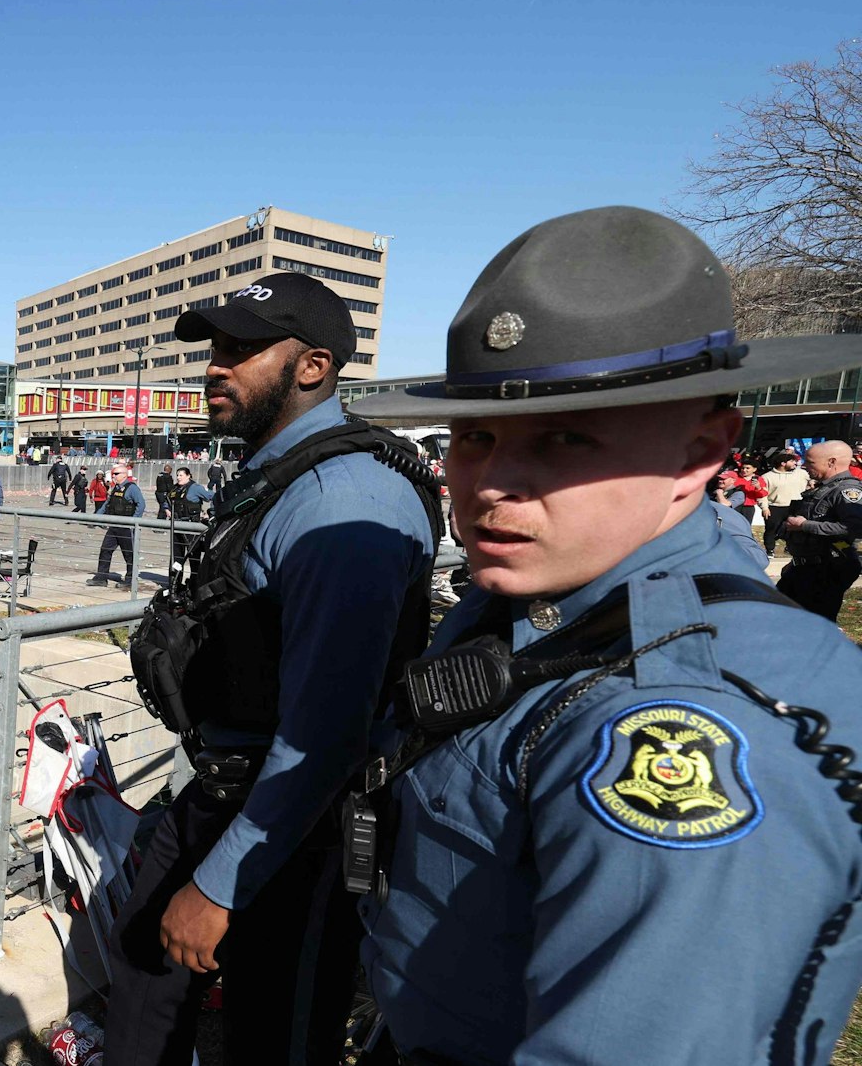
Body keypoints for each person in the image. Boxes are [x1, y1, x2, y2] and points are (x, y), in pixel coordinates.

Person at [345, 205, 862, 1063]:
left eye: (564, 438)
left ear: (700, 452)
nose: (492, 484)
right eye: (476, 436)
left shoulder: (679, 721)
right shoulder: (550, 591)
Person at [112, 270, 439, 1066]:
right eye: (216, 347)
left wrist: (220, 884)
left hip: (298, 827)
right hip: (226, 787)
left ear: (313, 366)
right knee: (143, 965)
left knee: (274, 1038)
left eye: (242, 349)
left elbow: (326, 737)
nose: (215, 366)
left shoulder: (344, 503)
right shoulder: (282, 471)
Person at [777, 439, 862, 621]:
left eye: (810, 462)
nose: (804, 466)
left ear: (831, 462)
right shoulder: (825, 488)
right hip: (806, 567)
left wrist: (804, 525)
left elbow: (854, 527)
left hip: (824, 570)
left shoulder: (847, 490)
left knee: (811, 625)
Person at [87, 463, 145, 588]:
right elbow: (107, 504)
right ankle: (101, 578)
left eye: (116, 474)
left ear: (124, 475)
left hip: (126, 527)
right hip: (114, 526)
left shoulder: (132, 488)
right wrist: (96, 517)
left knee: (129, 554)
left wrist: (134, 521)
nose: (113, 476)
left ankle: (130, 580)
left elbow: (141, 504)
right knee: (105, 550)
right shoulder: (116, 488)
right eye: (113, 474)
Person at [761, 449, 810, 556]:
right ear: (783, 463)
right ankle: (770, 550)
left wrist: (812, 484)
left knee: (795, 530)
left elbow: (813, 480)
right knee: (771, 530)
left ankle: (791, 549)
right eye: (792, 461)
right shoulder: (767, 477)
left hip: (796, 505)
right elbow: (762, 494)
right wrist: (764, 507)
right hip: (775, 506)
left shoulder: (801, 473)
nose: (795, 463)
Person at [716, 457, 767, 527]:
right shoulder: (735, 477)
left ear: (754, 469)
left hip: (748, 507)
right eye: (743, 468)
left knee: (745, 526)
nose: (744, 470)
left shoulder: (759, 479)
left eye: (747, 468)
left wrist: (758, 487)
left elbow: (763, 494)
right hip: (734, 505)